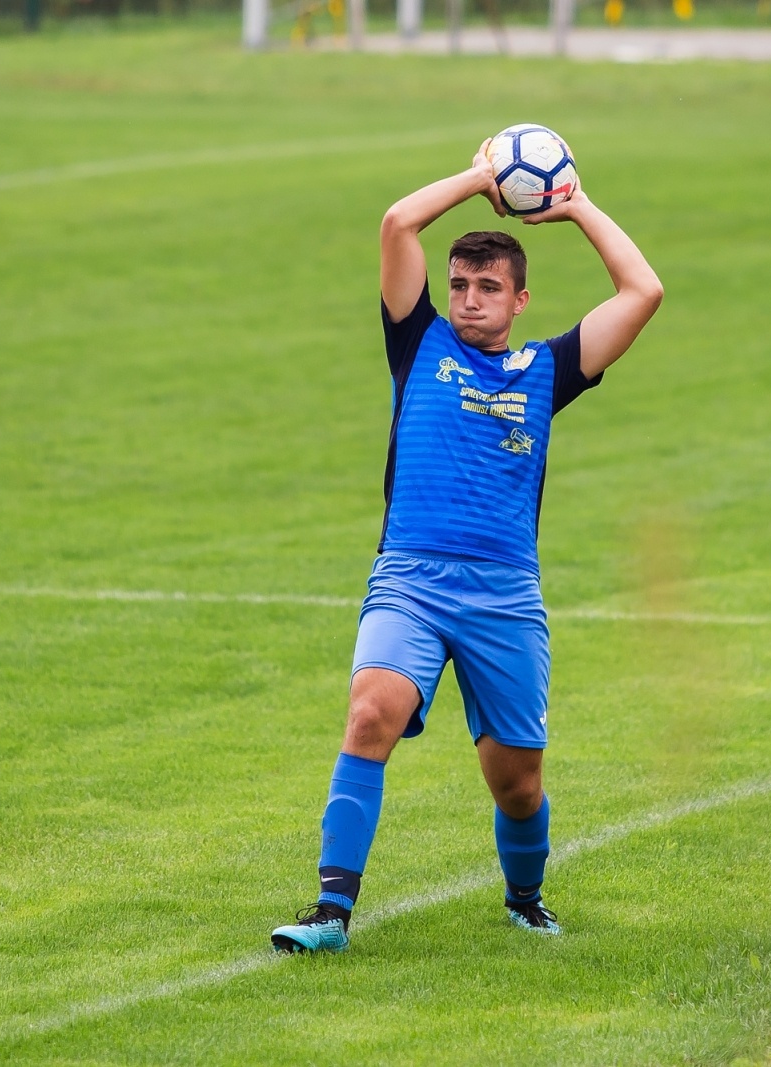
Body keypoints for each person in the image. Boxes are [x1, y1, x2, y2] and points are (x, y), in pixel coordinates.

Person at [270, 139, 664, 953]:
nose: (470, 299)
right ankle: (330, 913)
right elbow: (398, 222)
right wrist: (483, 180)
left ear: (522, 299)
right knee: (370, 710)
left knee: (516, 783)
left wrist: (576, 205)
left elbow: (643, 289)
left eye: (489, 287)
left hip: (504, 595)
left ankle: (525, 899)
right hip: (409, 580)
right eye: (460, 285)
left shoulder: (547, 370)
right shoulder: (419, 346)